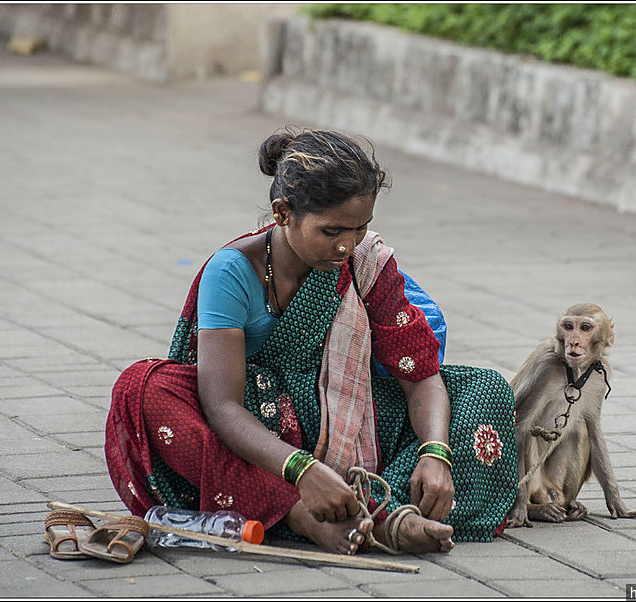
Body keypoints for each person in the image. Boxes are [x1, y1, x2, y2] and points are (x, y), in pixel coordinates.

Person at [105, 128, 518, 556]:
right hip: (262, 438)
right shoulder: (231, 273)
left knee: (482, 387)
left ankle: (378, 508)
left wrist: (436, 453)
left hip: (352, 420)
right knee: (143, 388)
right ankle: (307, 515)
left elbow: (420, 375)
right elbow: (221, 405)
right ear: (282, 213)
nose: (346, 245)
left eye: (360, 229)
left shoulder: (366, 260)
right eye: (331, 231)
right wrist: (301, 469)